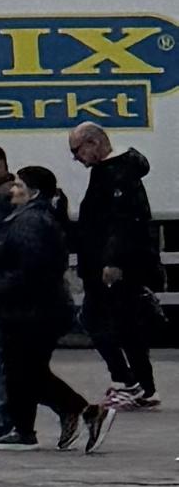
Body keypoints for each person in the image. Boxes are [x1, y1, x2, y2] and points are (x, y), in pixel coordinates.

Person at [0, 164, 100, 451]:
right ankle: (37, 424)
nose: (13, 190)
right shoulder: (31, 218)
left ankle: (52, 420)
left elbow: (31, 268)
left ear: (34, 192)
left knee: (23, 371)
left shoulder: (31, 222)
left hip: (31, 310)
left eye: (19, 185)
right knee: (26, 371)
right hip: (33, 309)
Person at [69, 122, 159, 408]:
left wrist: (113, 260)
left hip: (111, 265)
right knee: (125, 324)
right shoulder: (115, 171)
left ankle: (128, 382)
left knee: (98, 321)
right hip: (109, 262)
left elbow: (122, 221)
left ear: (93, 143)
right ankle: (142, 385)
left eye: (76, 150)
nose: (76, 158)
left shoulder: (116, 173)